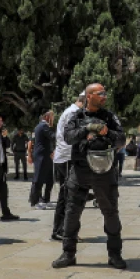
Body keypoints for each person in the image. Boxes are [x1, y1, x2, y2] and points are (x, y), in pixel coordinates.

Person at [52, 83, 127, 270]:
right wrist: (87, 129)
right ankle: (68, 253)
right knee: (71, 212)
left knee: (110, 213)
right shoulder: (76, 117)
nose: (104, 97)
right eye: (101, 93)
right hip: (80, 171)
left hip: (104, 172)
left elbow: (121, 139)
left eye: (105, 93)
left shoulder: (109, 117)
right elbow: (68, 137)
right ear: (89, 96)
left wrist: (107, 132)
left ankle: (115, 254)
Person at [52, 93, 85, 241]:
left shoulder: (71, 111)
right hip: (67, 157)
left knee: (67, 194)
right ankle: (60, 230)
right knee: (67, 196)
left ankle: (62, 229)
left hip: (66, 157)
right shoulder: (73, 113)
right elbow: (71, 137)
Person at [29, 111, 56, 209]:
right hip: (41, 156)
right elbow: (53, 137)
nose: (53, 119)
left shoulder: (43, 126)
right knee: (38, 179)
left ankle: (46, 200)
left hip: (46, 156)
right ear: (47, 117)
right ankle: (35, 202)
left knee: (50, 179)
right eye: (52, 117)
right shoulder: (43, 126)